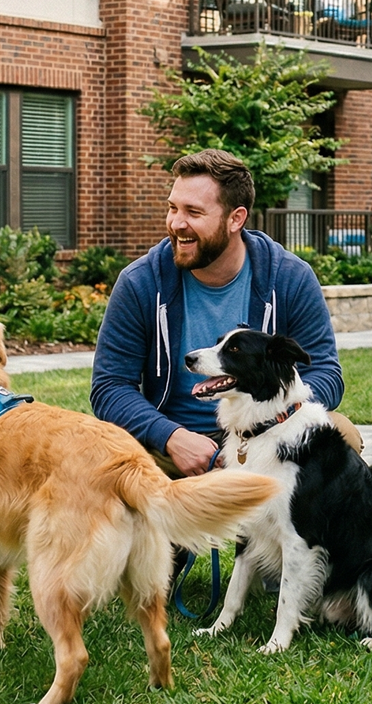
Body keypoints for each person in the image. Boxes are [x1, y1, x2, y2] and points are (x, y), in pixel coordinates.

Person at [91, 148, 357, 477]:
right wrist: (170, 436)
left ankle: (292, 524)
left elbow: (326, 372)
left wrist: (267, 422)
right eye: (172, 208)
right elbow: (110, 386)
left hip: (267, 436)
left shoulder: (290, 278)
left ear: (236, 219)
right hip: (174, 445)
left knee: (341, 435)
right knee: (99, 455)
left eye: (194, 212)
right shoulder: (140, 283)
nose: (176, 223)